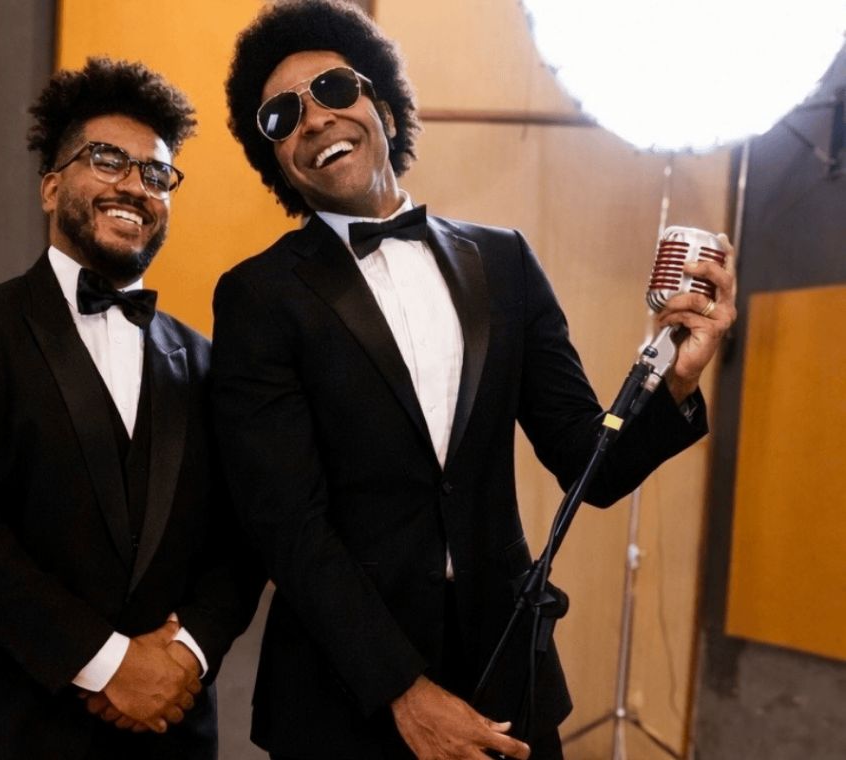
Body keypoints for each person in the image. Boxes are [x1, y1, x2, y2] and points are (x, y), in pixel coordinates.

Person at [211, 2, 736, 759]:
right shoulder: (257, 297)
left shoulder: (505, 260)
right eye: (281, 117)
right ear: (277, 161)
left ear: (386, 108)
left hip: (508, 679)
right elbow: (288, 526)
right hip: (345, 697)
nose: (315, 119)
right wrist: (404, 691)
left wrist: (677, 382)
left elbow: (589, 463)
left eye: (333, 88)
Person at [0, 57, 263, 760]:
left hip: (165, 737)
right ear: (52, 186)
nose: (135, 186)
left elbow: (242, 541)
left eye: (157, 173)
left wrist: (186, 654)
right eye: (108, 159)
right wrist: (110, 663)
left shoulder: (210, 362)